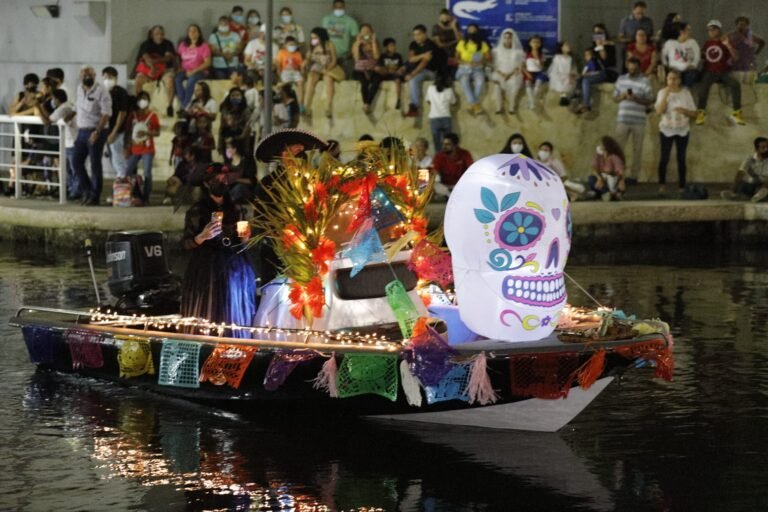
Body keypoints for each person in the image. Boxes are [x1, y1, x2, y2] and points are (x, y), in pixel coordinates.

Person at [180, 171, 256, 337]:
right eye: (217, 179)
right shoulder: (197, 210)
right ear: (207, 184)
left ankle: (235, 341)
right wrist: (202, 236)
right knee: (209, 305)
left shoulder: (236, 208)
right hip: (207, 264)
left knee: (234, 302)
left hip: (235, 262)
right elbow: (186, 243)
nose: (221, 182)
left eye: (224, 179)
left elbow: (242, 240)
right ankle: (207, 341)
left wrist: (245, 238)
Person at [72, 66, 112, 205]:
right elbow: (77, 107)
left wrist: (97, 132)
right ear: (80, 76)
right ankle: (87, 191)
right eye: (84, 74)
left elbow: (106, 114)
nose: (87, 77)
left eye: (90, 74)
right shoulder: (79, 88)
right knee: (76, 162)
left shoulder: (102, 91)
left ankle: (94, 196)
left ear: (95, 76)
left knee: (95, 164)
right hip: (82, 130)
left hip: (96, 131)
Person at [655, 69, 696, 193]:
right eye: (669, 79)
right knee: (664, 158)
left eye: (674, 79)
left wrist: (685, 111)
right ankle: (662, 185)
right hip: (666, 129)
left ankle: (682, 186)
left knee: (681, 158)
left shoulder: (686, 93)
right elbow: (659, 111)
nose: (671, 81)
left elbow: (694, 113)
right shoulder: (662, 92)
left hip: (682, 129)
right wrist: (666, 95)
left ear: (679, 80)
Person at [613, 57, 653, 183]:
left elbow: (649, 100)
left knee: (637, 149)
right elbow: (615, 98)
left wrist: (636, 98)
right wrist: (623, 96)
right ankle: (617, 173)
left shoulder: (645, 81)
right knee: (618, 148)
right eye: (630, 66)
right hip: (623, 119)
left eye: (634, 67)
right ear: (627, 66)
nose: (632, 69)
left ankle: (633, 176)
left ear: (638, 67)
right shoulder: (621, 79)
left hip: (638, 120)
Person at [697, 20, 743, 126]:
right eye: (709, 30)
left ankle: (737, 113)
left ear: (719, 30)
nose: (711, 32)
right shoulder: (707, 43)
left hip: (723, 72)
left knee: (735, 84)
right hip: (709, 71)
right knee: (703, 88)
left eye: (713, 30)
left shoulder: (726, 41)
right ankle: (701, 112)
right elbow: (703, 55)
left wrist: (728, 45)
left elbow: (736, 57)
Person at [124, 91, 160, 204]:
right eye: (141, 99)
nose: (142, 101)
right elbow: (129, 132)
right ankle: (133, 193)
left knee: (147, 172)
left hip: (148, 149)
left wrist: (147, 133)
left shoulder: (152, 116)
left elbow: (157, 132)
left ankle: (146, 196)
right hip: (134, 149)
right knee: (128, 171)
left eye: (145, 99)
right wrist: (127, 147)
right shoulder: (133, 115)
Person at [134, 25, 176, 117]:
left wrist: (154, 62)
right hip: (149, 70)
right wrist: (152, 66)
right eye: (157, 34)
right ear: (152, 35)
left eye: (162, 34)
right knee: (138, 79)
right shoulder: (146, 44)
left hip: (164, 70)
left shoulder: (168, 44)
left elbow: (168, 58)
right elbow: (145, 57)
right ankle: (140, 104)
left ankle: (170, 106)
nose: (160, 36)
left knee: (170, 80)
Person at [405, 24, 446, 117]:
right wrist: (422, 55)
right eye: (414, 35)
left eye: (418, 34)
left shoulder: (431, 45)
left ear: (425, 34)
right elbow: (410, 58)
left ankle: (414, 106)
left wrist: (413, 74)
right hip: (418, 69)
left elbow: (424, 63)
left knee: (414, 78)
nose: (416, 37)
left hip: (430, 72)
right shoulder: (413, 44)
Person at [303, 27, 342, 118]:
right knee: (311, 78)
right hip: (317, 68)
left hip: (328, 67)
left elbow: (334, 60)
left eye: (315, 37)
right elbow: (308, 60)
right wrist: (307, 60)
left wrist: (328, 69)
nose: (313, 39)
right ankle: (306, 106)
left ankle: (329, 107)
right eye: (312, 37)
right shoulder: (312, 47)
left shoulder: (329, 44)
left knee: (328, 80)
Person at [175, 24, 211, 113]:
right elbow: (177, 57)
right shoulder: (183, 45)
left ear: (199, 33)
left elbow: (208, 62)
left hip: (199, 71)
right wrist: (179, 67)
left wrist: (194, 71)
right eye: (190, 31)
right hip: (185, 70)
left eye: (194, 30)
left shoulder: (203, 46)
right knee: (177, 79)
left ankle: (185, 106)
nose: (192, 33)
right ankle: (185, 104)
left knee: (191, 80)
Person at [101, 67, 129, 182]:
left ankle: (123, 191)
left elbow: (122, 114)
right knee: (113, 160)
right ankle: (119, 193)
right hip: (105, 131)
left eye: (110, 78)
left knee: (119, 161)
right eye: (105, 77)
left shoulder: (121, 93)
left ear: (116, 78)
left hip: (117, 132)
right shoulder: (101, 92)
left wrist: (114, 132)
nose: (108, 80)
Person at [455, 24, 491, 115]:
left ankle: (471, 105)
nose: (471, 32)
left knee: (480, 81)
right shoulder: (462, 43)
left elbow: (488, 57)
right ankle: (475, 104)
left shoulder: (482, 44)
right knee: (464, 81)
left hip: (477, 69)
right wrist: (467, 63)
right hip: (464, 68)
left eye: (474, 31)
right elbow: (456, 58)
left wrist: (480, 62)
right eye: (470, 30)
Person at [721, 137, 768, 202]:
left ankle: (758, 195)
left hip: (765, 184)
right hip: (753, 183)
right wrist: (733, 188)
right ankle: (734, 194)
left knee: (766, 184)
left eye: (767, 146)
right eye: (763, 147)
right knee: (741, 180)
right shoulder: (749, 159)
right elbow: (741, 172)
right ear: (756, 149)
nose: (766, 149)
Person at [490, 29, 525, 114]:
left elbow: (520, 65)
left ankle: (511, 107)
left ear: (513, 39)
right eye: (505, 38)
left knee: (514, 84)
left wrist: (510, 74)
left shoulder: (518, 52)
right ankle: (498, 107)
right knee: (497, 86)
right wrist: (502, 74)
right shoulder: (496, 51)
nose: (507, 40)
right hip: (499, 73)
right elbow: (494, 65)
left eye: (509, 38)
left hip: (513, 74)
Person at [322, 0, 359, 75]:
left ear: (344, 7)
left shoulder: (351, 21)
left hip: (344, 57)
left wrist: (352, 52)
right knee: (327, 77)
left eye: (341, 7)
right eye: (336, 7)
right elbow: (322, 37)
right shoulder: (326, 19)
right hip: (329, 56)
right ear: (333, 7)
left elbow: (357, 39)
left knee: (344, 79)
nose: (338, 9)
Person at [352, 23, 382, 113]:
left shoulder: (375, 43)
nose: (365, 34)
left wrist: (373, 42)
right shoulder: (356, 44)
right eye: (363, 32)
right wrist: (358, 44)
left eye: (367, 31)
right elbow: (356, 58)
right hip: (359, 70)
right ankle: (366, 104)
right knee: (364, 83)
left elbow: (377, 57)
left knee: (376, 81)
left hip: (372, 69)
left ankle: (368, 103)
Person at [662, 22, 700, 88]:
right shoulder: (670, 43)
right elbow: (663, 55)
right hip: (674, 69)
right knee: (674, 75)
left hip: (688, 69)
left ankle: (685, 90)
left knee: (691, 74)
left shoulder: (692, 42)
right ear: (681, 31)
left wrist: (693, 65)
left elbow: (697, 55)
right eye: (688, 29)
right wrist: (665, 65)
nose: (689, 32)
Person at [588, 136, 626, 200]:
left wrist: (621, 182)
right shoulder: (599, 157)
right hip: (602, 180)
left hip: (612, 180)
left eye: (601, 145)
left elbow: (620, 172)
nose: (599, 146)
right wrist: (600, 178)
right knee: (591, 178)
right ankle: (607, 193)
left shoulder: (614, 157)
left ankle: (608, 193)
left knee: (607, 183)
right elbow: (594, 170)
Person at [425, 74, 456, 152]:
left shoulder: (430, 88)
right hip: (446, 117)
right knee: (448, 143)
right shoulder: (449, 90)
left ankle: (439, 159)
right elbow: (453, 102)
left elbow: (428, 101)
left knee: (437, 143)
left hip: (434, 117)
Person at [374, 37, 406, 110]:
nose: (394, 47)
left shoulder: (398, 56)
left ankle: (398, 100)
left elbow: (401, 67)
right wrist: (387, 70)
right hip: (385, 74)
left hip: (395, 74)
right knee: (377, 68)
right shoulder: (383, 56)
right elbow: (379, 67)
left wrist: (398, 71)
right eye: (391, 46)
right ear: (386, 47)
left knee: (398, 80)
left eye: (394, 45)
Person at [276, 36, 305, 109]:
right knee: (285, 85)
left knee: (301, 83)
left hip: (295, 72)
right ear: (285, 45)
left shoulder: (298, 54)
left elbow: (301, 66)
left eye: (293, 44)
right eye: (290, 44)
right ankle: (284, 102)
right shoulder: (281, 52)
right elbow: (278, 65)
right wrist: (279, 76)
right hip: (285, 72)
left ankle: (301, 104)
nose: (292, 46)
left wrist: (302, 74)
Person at [576, 47, 606, 114]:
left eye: (588, 54)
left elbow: (598, 71)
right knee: (580, 80)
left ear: (592, 55)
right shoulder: (587, 64)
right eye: (585, 55)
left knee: (586, 81)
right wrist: (579, 75)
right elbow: (583, 74)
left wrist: (588, 74)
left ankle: (586, 105)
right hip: (592, 76)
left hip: (601, 75)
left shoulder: (594, 60)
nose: (586, 57)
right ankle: (579, 99)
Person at [548, 41, 577, 106]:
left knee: (571, 83)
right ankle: (564, 97)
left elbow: (573, 68)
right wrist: (559, 76)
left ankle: (568, 97)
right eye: (566, 45)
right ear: (561, 48)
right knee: (562, 85)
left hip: (569, 76)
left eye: (568, 44)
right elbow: (555, 69)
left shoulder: (570, 58)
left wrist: (572, 75)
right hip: (559, 76)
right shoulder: (557, 57)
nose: (569, 46)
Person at [431, 8, 461, 72]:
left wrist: (454, 27)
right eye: (443, 17)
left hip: (454, 53)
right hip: (441, 54)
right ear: (439, 17)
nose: (445, 19)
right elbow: (439, 45)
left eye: (447, 17)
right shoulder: (436, 27)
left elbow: (460, 41)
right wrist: (454, 42)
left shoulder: (454, 26)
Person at [524, 35, 548, 109]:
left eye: (537, 42)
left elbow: (542, 67)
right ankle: (532, 103)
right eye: (533, 42)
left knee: (537, 86)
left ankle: (531, 102)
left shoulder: (542, 55)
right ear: (530, 43)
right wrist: (527, 74)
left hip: (538, 73)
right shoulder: (526, 54)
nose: (535, 44)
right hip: (528, 72)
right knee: (528, 85)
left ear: (540, 44)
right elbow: (522, 66)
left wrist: (537, 57)